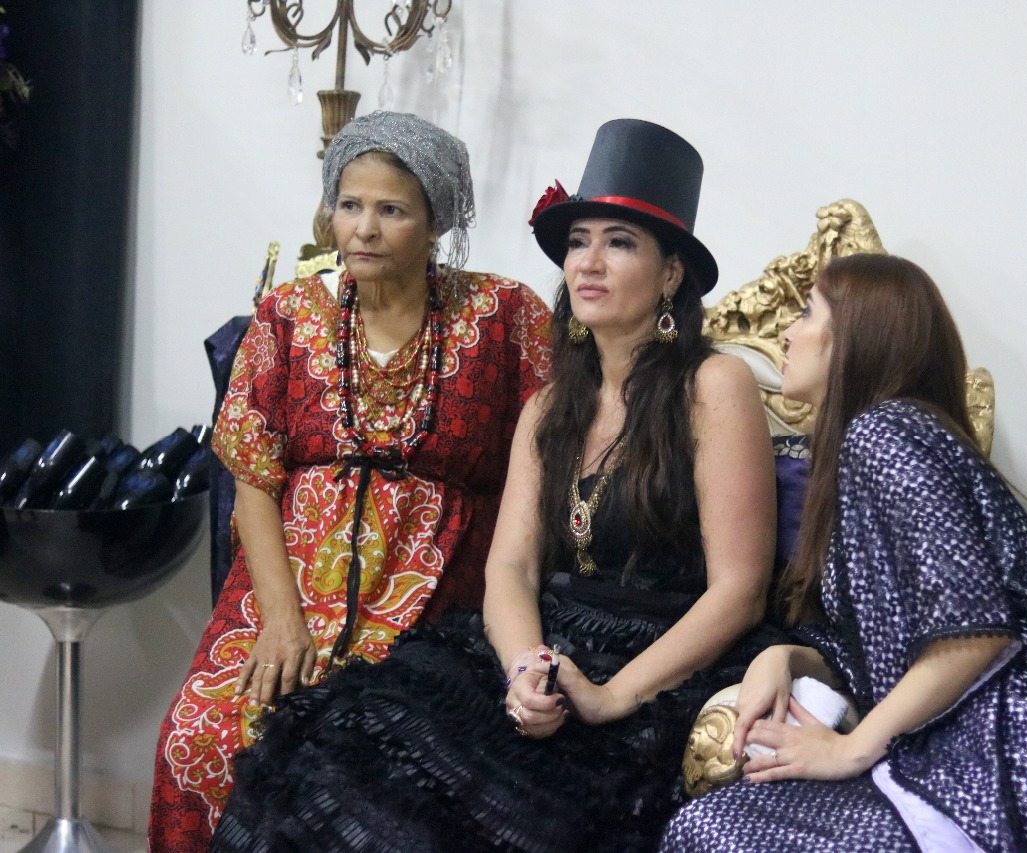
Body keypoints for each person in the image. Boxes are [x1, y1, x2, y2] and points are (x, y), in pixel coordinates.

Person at [207, 118, 780, 853]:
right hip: (541, 644)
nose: (588, 263)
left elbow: (739, 591)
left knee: (490, 817)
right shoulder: (550, 403)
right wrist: (523, 669)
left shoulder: (714, 384)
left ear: (671, 273)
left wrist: (610, 697)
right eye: (578, 241)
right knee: (329, 750)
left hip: (659, 659)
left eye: (619, 243)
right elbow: (510, 567)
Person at [148, 111, 553, 850]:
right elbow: (253, 472)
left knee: (359, 766)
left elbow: (551, 460)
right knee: (197, 740)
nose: (363, 228)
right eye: (349, 204)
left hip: (435, 597)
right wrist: (280, 619)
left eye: (392, 209)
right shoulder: (289, 314)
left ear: (437, 221)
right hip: (289, 584)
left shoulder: (504, 315)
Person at [661, 253, 1027, 852]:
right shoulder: (872, 442)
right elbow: (886, 654)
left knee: (712, 831)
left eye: (807, 313)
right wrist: (786, 658)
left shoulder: (886, 434)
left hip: (1026, 764)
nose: (785, 331)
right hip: (956, 756)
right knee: (711, 826)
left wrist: (850, 750)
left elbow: (975, 630)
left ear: (857, 337)